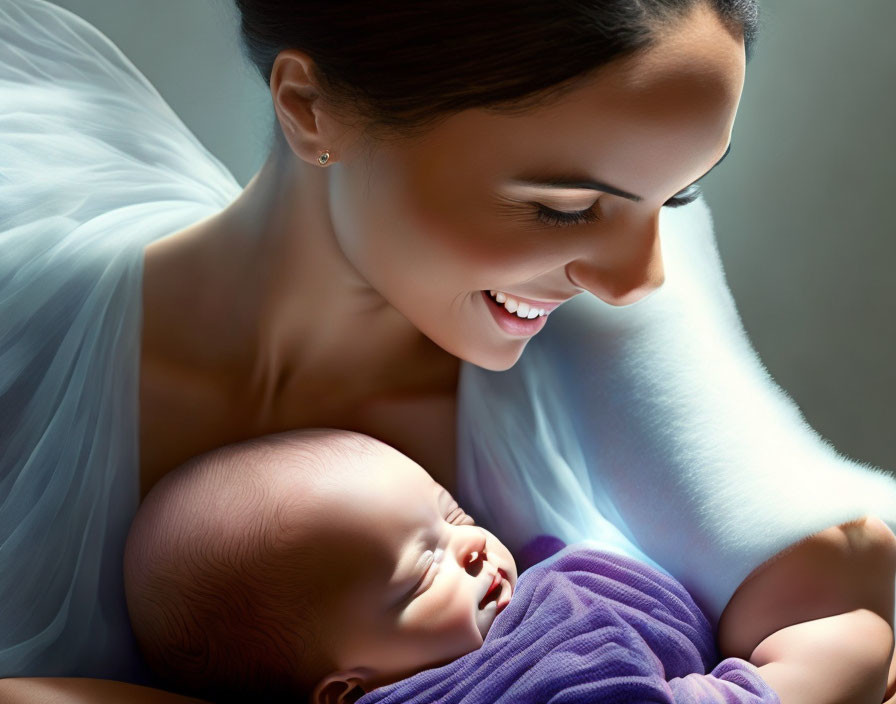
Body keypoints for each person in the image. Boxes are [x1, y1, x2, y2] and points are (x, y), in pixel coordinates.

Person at [1, 0, 895, 702]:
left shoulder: (597, 313)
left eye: (679, 196)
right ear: (312, 111)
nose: (633, 278)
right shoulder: (30, 340)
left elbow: (846, 574)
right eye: (563, 206)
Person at [122, 428, 891, 704]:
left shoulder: (511, 591)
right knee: (854, 633)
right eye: (422, 575)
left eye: (453, 515)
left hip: (692, 647)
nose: (468, 547)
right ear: (346, 689)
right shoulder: (484, 685)